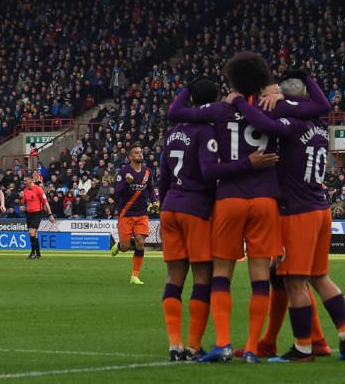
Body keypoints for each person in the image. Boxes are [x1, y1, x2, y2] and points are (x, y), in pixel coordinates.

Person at [167, 52, 325, 363]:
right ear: (263, 79)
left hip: (229, 198)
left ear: (232, 80)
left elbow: (176, 112)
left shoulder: (221, 109)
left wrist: (191, 86)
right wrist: (292, 88)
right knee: (260, 278)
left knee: (221, 275)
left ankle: (223, 344)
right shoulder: (272, 107)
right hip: (265, 199)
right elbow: (321, 107)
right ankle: (252, 348)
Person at [232, 73, 345, 362]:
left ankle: (303, 348)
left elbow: (266, 125)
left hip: (297, 213)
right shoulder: (318, 125)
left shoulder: (293, 124)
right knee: (320, 277)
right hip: (320, 208)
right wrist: (291, 94)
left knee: (294, 282)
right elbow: (317, 103)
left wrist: (240, 102)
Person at [111, 144, 157, 285]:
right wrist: (127, 183)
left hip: (142, 212)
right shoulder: (123, 172)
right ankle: (119, 245)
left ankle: (134, 276)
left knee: (140, 242)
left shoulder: (147, 171)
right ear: (130, 156)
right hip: (126, 213)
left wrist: (154, 201)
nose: (140, 154)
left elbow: (150, 189)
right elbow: (118, 193)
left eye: (140, 152)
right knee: (125, 247)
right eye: (136, 152)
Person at [20, 168, 55, 260]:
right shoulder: (25, 190)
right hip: (29, 214)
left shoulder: (38, 189)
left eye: (26, 180)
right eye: (24, 180)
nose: (24, 182)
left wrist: (50, 214)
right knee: (33, 234)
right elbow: (23, 202)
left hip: (37, 213)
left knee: (31, 232)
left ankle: (32, 253)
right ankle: (38, 255)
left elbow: (45, 202)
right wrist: (21, 203)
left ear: (31, 180)